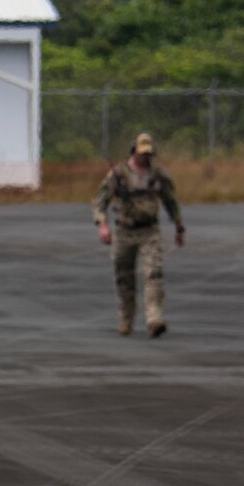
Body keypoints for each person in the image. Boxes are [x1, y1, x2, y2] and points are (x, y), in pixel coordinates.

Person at [93, 131, 184, 337]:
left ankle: (154, 319)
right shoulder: (119, 175)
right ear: (134, 151)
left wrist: (179, 227)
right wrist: (102, 225)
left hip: (149, 231)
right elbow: (100, 200)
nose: (146, 157)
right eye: (142, 153)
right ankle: (126, 318)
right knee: (124, 277)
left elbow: (171, 201)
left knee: (154, 273)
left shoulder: (159, 175)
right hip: (125, 231)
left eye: (149, 153)